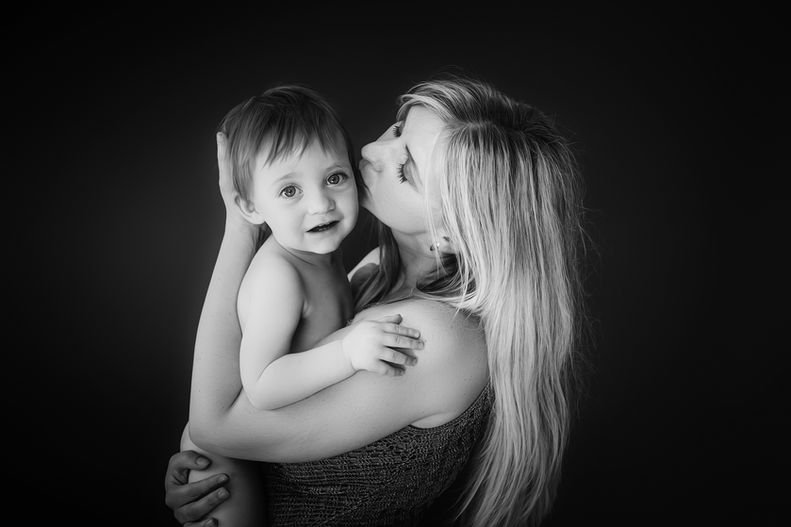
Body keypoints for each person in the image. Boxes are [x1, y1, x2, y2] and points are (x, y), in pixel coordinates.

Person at [165, 73, 586, 526]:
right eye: (398, 129)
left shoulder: (435, 337)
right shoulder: (370, 271)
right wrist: (218, 484)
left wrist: (241, 225)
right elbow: (250, 415)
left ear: (451, 232)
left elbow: (216, 423)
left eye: (406, 170)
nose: (368, 151)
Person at [178, 84, 425, 527]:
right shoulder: (280, 276)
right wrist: (348, 353)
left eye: (334, 177)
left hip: (257, 442)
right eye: (289, 191)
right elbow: (263, 386)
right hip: (227, 455)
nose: (321, 203)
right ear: (250, 207)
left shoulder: (326, 257)